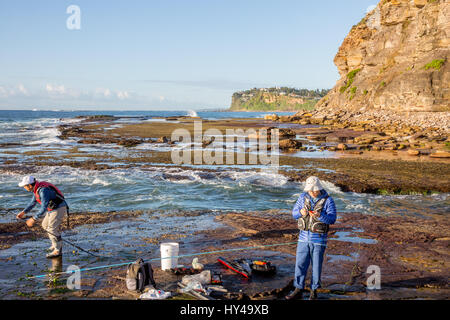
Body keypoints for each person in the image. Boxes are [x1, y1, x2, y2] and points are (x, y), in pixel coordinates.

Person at [286, 176, 337, 300]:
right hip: (303, 238)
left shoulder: (328, 200)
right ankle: (298, 289)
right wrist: (300, 212)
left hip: (319, 240)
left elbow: (332, 219)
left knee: (316, 267)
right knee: (300, 265)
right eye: (310, 190)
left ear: (319, 189)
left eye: (314, 190)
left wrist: (320, 216)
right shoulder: (302, 197)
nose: (312, 192)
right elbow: (294, 214)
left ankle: (314, 291)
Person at [16, 176, 68, 258]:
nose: (24, 188)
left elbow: (44, 207)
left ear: (29, 185)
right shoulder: (36, 189)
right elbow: (32, 202)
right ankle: (55, 243)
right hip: (52, 209)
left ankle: (58, 250)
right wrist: (24, 212)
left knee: (52, 229)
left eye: (24, 186)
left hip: (59, 208)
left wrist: (33, 219)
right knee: (44, 225)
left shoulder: (43, 190)